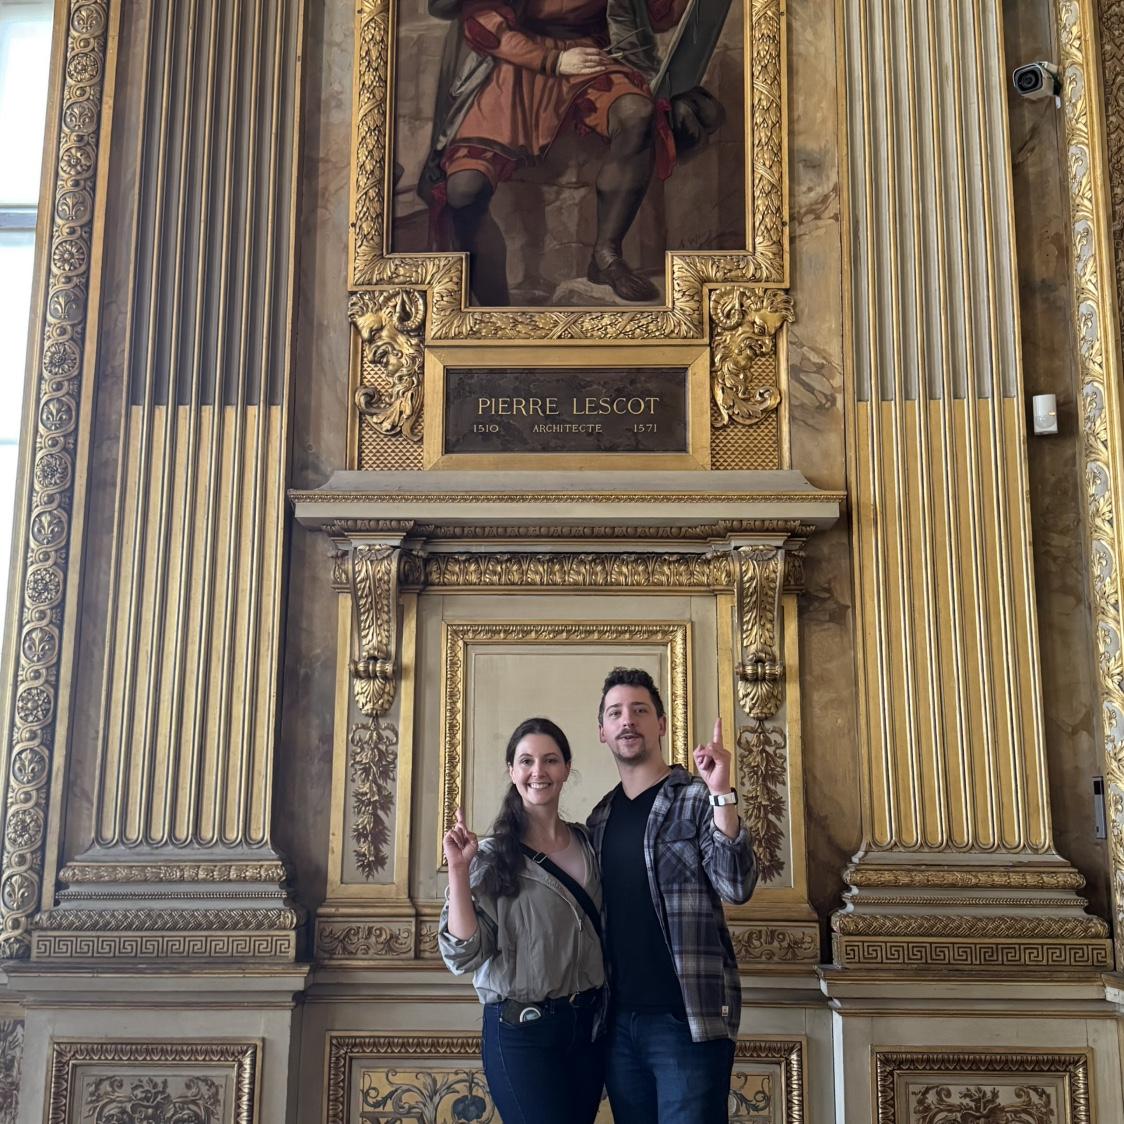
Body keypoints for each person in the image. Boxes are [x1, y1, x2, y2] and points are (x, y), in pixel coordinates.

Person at [420, 0, 687, 304]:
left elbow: (657, 16)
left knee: (636, 113)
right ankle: (496, 316)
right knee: (464, 190)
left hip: (589, 57)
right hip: (514, 63)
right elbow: (482, 24)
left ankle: (606, 254)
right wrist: (553, 61)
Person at [587, 667, 757, 1124]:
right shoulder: (598, 820)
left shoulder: (697, 799)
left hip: (687, 1021)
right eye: (616, 713)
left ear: (661, 724)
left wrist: (722, 793)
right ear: (602, 731)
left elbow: (736, 886)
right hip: (619, 1025)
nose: (628, 721)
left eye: (640, 710)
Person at [439, 717, 606, 1124]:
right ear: (512, 772)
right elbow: (463, 953)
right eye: (526, 761)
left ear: (567, 768)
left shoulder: (590, 843)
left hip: (587, 1027)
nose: (538, 771)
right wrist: (459, 871)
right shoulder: (493, 855)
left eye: (550, 760)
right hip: (521, 1032)